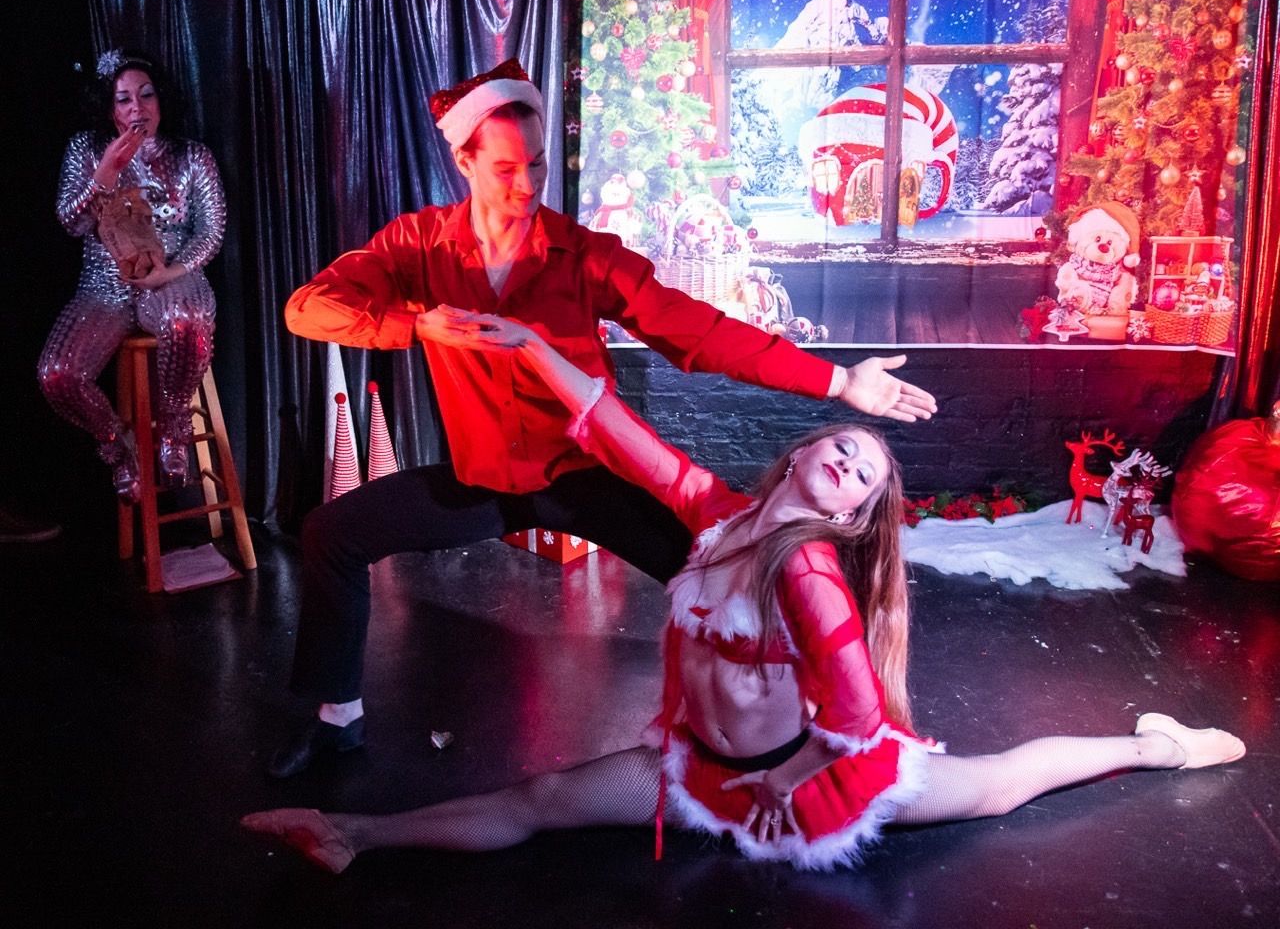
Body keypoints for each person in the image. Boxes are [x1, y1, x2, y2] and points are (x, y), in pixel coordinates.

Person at [243, 311, 1246, 871]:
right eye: (845, 450)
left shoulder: (808, 569)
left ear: (851, 519)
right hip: (695, 769)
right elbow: (617, 436)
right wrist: (531, 346)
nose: (852, 467)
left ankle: (1153, 744)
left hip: (803, 783)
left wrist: (785, 775)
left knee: (993, 783)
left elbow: (852, 714)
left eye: (865, 480)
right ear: (807, 450)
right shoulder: (718, 516)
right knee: (543, 797)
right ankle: (350, 835)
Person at [269, 58, 937, 777]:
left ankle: (835, 732)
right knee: (331, 533)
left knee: (737, 571)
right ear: (463, 161)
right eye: (504, 169)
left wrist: (838, 380)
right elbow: (306, 309)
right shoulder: (419, 245)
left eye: (537, 164)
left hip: (587, 474)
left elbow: (699, 332)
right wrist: (416, 325)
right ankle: (336, 721)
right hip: (484, 478)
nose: (526, 186)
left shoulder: (583, 258)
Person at [38, 48, 224, 499]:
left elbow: (212, 229)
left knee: (188, 323)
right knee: (57, 374)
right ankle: (118, 448)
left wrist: (171, 272)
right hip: (104, 288)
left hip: (170, 277)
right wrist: (105, 173)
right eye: (123, 99)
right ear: (109, 107)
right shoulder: (86, 148)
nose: (136, 108)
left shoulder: (192, 156)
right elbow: (71, 222)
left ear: (161, 100)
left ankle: (174, 427)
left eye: (146, 95)